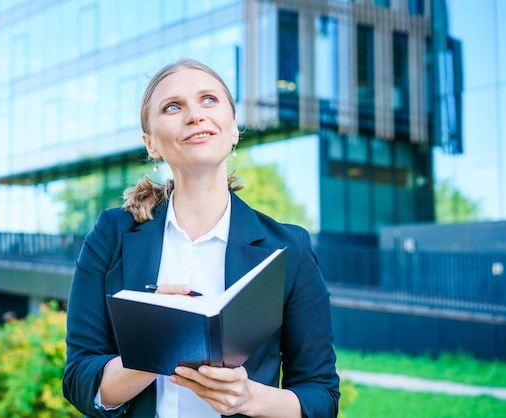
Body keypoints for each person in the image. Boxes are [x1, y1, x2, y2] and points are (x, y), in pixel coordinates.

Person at [63, 58, 340, 418]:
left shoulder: (290, 249)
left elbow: (321, 397)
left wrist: (248, 399)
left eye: (209, 99)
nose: (195, 115)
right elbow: (79, 381)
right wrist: (154, 343)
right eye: (173, 106)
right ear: (151, 144)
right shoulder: (111, 236)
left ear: (234, 126)